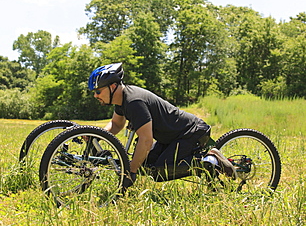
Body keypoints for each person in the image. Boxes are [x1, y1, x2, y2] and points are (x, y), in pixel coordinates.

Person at [88, 63, 237, 189]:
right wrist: (96, 135)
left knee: (161, 171)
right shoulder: (123, 100)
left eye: (98, 91)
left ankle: (210, 160)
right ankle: (206, 161)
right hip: (171, 138)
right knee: (146, 165)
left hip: (191, 132)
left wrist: (130, 173)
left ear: (113, 86)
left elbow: (146, 140)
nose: (95, 95)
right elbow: (115, 124)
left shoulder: (134, 102)